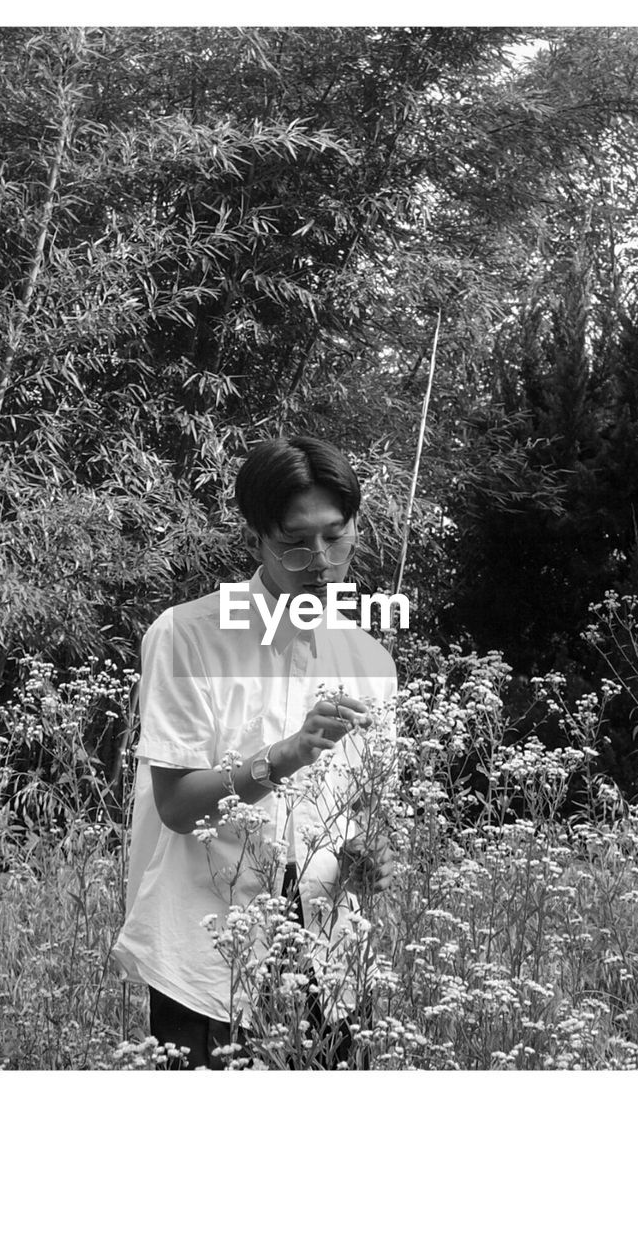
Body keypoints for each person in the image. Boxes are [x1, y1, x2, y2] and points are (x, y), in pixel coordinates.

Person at [112, 436, 398, 1069]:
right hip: (209, 951)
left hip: (331, 954)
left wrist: (371, 855)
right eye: (295, 541)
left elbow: (372, 813)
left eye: (336, 536)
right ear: (257, 538)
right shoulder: (187, 637)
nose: (318, 560)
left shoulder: (370, 661)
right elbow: (180, 807)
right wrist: (288, 754)